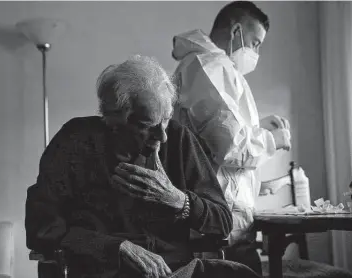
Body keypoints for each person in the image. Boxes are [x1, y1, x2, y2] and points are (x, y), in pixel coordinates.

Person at [25, 55, 262, 278]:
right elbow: (40, 227)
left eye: (166, 120)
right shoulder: (74, 141)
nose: (162, 135)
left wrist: (179, 200)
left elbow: (222, 221)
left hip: (175, 271)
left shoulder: (179, 139)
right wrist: (115, 247)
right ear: (113, 119)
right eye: (147, 125)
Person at [171, 1, 291, 274]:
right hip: (218, 227)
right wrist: (273, 139)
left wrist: (257, 125)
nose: (256, 52)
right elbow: (228, 146)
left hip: (220, 221)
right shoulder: (211, 66)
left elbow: (212, 131)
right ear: (236, 30)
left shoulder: (206, 66)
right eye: (255, 42)